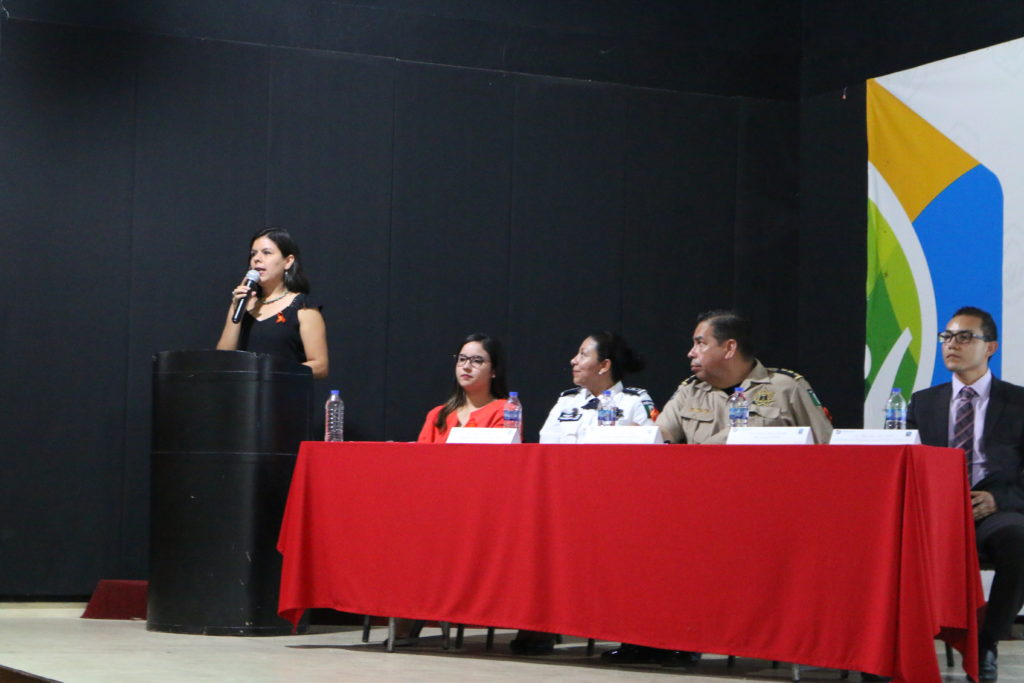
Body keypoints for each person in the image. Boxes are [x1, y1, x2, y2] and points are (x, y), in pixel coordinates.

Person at [906, 306, 1024, 682]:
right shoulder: (923, 403)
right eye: (946, 337)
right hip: (934, 512)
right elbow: (904, 461)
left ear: (991, 347)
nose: (951, 345)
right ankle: (895, 646)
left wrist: (1000, 500)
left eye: (964, 337)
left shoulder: (1018, 402)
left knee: (1020, 541)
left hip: (992, 508)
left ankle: (987, 642)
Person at [655, 309, 832, 445]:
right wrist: (638, 434)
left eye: (700, 343)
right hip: (706, 483)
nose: (691, 353)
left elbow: (825, 444)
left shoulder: (786, 387)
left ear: (730, 348)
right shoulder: (689, 391)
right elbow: (662, 434)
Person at [216, 228, 328, 379]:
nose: (257, 259)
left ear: (288, 262)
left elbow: (320, 366)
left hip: (284, 396)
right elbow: (222, 360)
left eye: (266, 253)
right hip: (244, 396)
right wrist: (237, 307)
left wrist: (272, 372)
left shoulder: (303, 308)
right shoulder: (242, 304)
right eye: (253, 254)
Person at [539, 331, 657, 443]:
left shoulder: (636, 401)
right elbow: (547, 447)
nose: (573, 360)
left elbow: (652, 447)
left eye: (583, 355)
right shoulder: (567, 401)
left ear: (604, 365)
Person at [417, 333, 509, 443]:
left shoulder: (506, 411)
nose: (466, 367)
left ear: (494, 371)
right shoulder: (437, 415)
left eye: (476, 360)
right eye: (462, 359)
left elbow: (501, 456)